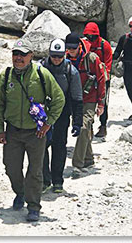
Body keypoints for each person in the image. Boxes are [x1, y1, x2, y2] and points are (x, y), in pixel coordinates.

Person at [0, 39, 65, 222]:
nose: (18, 58)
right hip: (12, 131)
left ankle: (33, 206)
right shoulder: (6, 75)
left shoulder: (41, 74)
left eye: (22, 54)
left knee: (35, 171)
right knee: (11, 167)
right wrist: (0, 129)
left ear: (31, 56)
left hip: (36, 132)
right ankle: (20, 192)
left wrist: (48, 123)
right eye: (15, 54)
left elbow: (59, 99)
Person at [40, 38, 83, 194]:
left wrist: (77, 122)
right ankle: (45, 180)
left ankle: (57, 181)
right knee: (41, 146)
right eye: (53, 56)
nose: (56, 59)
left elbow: (77, 98)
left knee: (59, 147)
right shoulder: (41, 68)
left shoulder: (71, 72)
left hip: (62, 115)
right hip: (42, 114)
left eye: (59, 56)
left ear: (64, 54)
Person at [65, 32, 106, 176]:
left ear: (79, 46)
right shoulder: (65, 59)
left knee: (83, 128)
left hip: (90, 99)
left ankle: (77, 164)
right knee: (86, 129)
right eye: (68, 48)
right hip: (75, 101)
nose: (71, 51)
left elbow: (101, 80)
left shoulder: (91, 59)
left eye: (73, 48)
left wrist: (101, 103)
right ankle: (88, 159)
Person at [83, 22, 113, 138]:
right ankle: (89, 126)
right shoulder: (84, 44)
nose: (91, 38)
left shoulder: (104, 45)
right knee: (87, 103)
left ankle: (103, 125)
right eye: (88, 36)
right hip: (88, 78)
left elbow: (108, 64)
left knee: (103, 102)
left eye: (93, 36)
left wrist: (104, 80)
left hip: (102, 77)